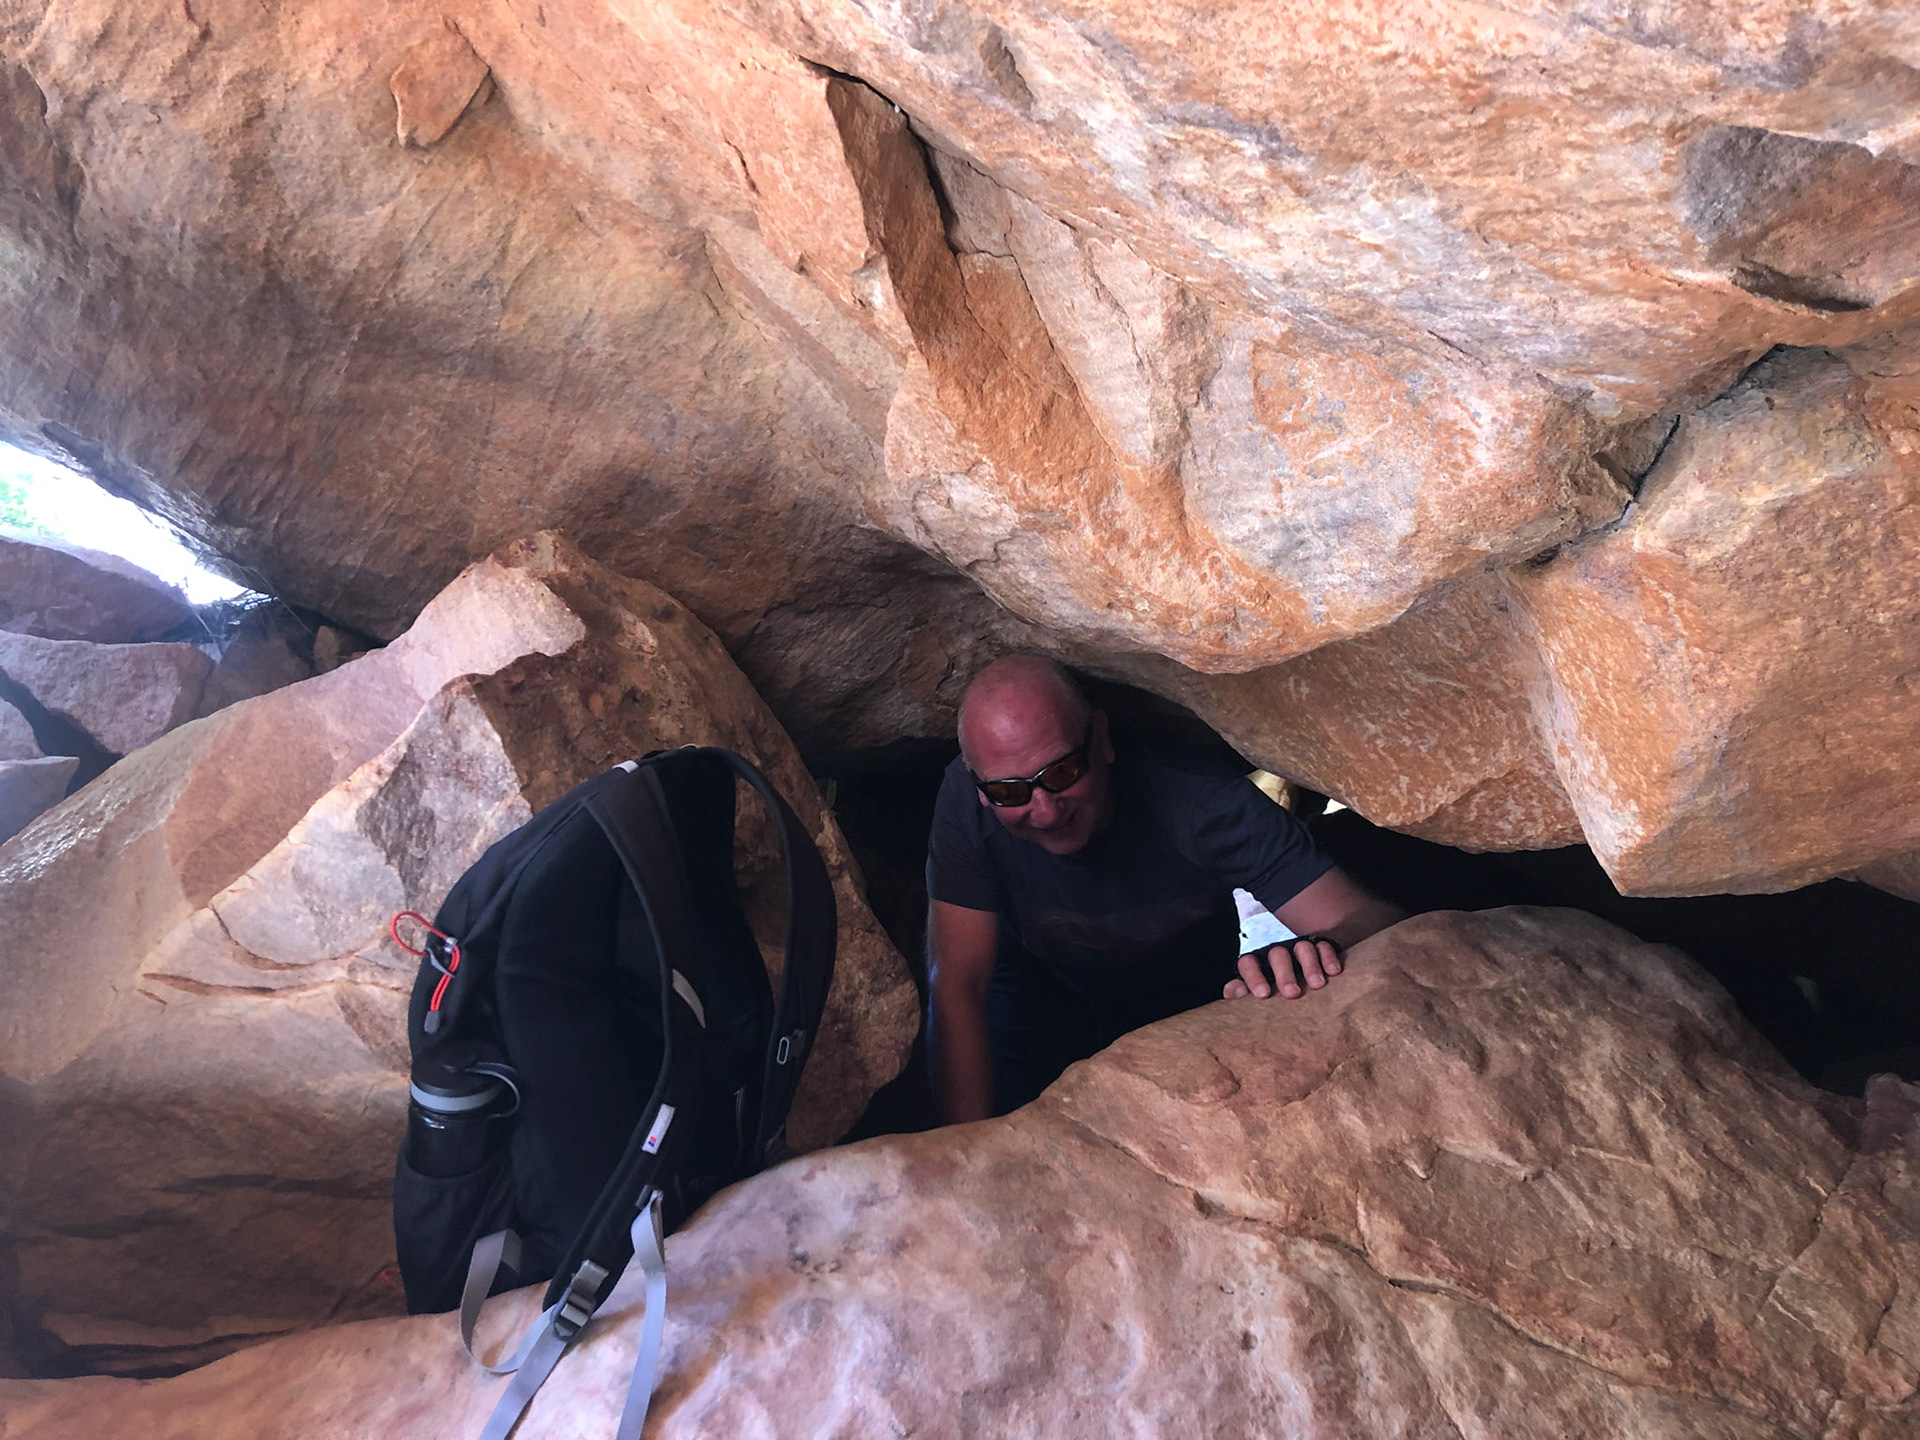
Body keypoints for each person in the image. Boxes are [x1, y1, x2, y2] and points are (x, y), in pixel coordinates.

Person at [926, 655, 1404, 1124]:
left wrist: (1323, 949)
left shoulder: (1200, 803)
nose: (1047, 812)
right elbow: (958, 982)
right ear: (979, 787)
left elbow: (1373, 919)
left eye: (1063, 772)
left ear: (1102, 740)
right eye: (1011, 793)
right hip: (1037, 1006)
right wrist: (961, 1151)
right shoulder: (966, 803)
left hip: (1182, 1005)